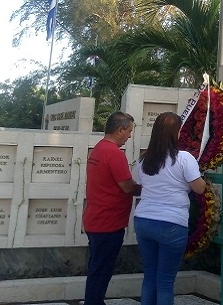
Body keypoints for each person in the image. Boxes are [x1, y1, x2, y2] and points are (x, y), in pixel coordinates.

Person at [134, 112, 206, 305]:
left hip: (143, 220)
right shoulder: (184, 158)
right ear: (176, 132)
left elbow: (142, 184)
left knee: (150, 276)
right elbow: (199, 188)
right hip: (171, 223)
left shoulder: (143, 160)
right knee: (165, 281)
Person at [83, 111, 142, 305]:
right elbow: (127, 186)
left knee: (97, 269)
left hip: (96, 219)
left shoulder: (98, 149)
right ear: (120, 129)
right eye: (129, 131)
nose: (130, 136)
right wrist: (152, 187)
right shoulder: (114, 153)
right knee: (101, 271)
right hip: (108, 223)